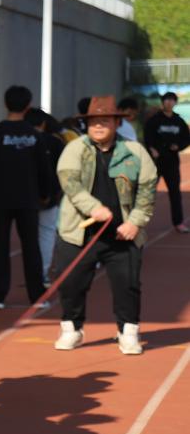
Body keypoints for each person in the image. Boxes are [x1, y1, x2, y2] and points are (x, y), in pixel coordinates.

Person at [52, 96, 157, 355]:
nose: (98, 126)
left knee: (127, 285)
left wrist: (135, 222)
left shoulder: (135, 152)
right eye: (93, 121)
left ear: (117, 123)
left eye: (105, 121)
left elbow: (147, 189)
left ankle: (128, 331)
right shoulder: (75, 149)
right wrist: (93, 208)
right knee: (70, 282)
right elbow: (70, 183)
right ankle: (72, 328)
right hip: (79, 232)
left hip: (123, 234)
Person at [0, 85, 50, 309]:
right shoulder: (34, 135)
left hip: (0, 198)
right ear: (28, 106)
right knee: (31, 246)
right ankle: (37, 295)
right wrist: (46, 194)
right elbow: (44, 168)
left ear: (5, 103)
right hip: (28, 199)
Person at [25, 108, 66, 282]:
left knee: (28, 236)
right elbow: (63, 170)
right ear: (43, 124)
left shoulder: (21, 141)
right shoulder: (55, 142)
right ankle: (41, 273)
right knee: (47, 233)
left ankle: (32, 272)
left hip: (24, 196)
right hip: (49, 196)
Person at [144, 91, 190, 232]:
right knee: (148, 193)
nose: (169, 103)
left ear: (175, 103)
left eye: (172, 100)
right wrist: (152, 149)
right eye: (166, 100)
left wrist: (179, 146)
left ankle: (178, 223)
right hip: (156, 162)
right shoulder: (154, 120)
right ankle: (139, 222)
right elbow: (147, 137)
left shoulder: (178, 121)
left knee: (175, 193)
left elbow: (187, 138)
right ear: (162, 102)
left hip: (172, 162)